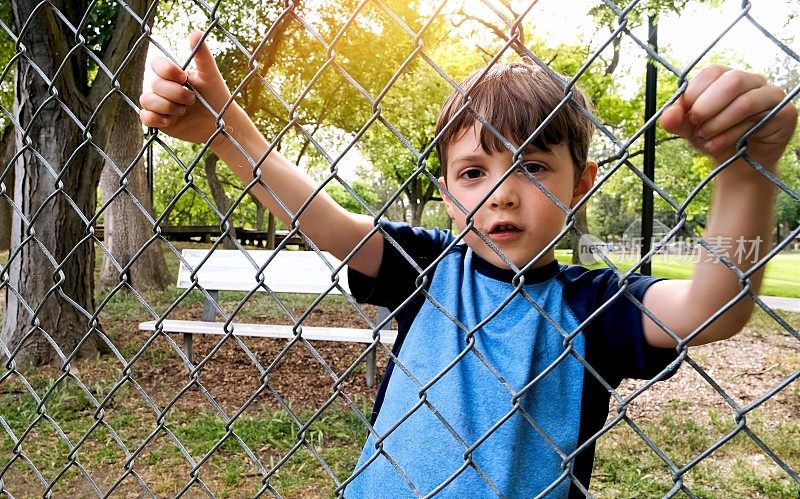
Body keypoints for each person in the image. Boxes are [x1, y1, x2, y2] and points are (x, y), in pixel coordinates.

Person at [140, 31, 797, 497]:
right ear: (449, 193)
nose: (502, 191)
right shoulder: (427, 269)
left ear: (580, 184)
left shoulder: (590, 306)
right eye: (474, 171)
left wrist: (748, 174)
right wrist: (226, 131)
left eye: (534, 166)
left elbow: (714, 306)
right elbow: (322, 218)